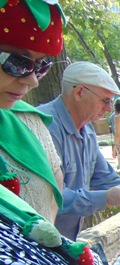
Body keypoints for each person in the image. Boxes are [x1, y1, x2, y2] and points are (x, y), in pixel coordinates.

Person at [39, 62, 120, 240]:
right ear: (79, 92)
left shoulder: (88, 130)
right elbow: (51, 196)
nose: (109, 109)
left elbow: (105, 178)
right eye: (106, 100)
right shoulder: (45, 126)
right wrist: (105, 198)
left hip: (65, 239)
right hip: (39, 243)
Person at [0, 0, 64, 224]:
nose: (33, 81)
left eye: (41, 67)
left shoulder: (28, 119)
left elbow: (52, 195)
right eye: (17, 63)